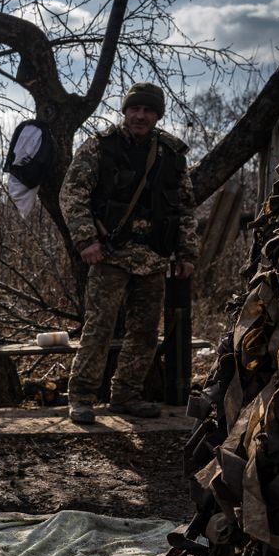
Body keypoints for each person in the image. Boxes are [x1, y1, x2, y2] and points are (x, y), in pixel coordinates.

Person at [61, 82, 200, 425]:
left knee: (145, 332)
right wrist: (86, 241)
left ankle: (125, 395)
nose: (140, 115)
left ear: (157, 115)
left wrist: (186, 253)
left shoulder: (171, 154)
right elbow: (72, 194)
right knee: (99, 327)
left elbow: (184, 208)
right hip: (110, 254)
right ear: (125, 111)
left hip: (154, 257)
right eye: (135, 109)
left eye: (148, 110)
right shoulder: (100, 146)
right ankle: (81, 397)